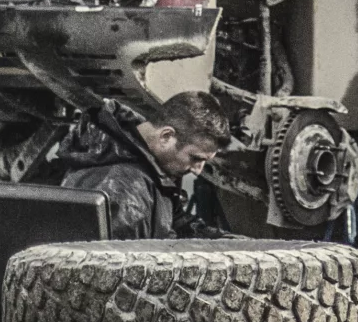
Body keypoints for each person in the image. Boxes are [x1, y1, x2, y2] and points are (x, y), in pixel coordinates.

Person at [62, 93, 234, 238]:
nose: (198, 170)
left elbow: (173, 222)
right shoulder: (125, 190)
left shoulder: (147, 165)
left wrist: (228, 243)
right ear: (166, 136)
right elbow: (126, 272)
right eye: (195, 158)